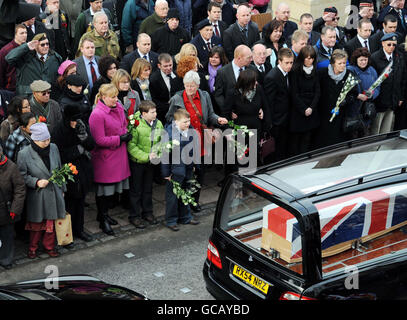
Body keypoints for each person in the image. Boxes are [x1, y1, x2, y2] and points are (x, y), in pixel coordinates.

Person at [166, 70, 228, 212]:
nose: (189, 89)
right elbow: (169, 118)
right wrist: (180, 125)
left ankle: (195, 201)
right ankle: (183, 204)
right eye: (187, 86)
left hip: (202, 142)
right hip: (185, 143)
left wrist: (218, 119)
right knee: (186, 174)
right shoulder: (177, 98)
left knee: (199, 174)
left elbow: (210, 115)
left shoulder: (205, 96)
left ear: (198, 85)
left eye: (192, 86)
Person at [17, 122, 66, 259]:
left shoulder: (54, 148)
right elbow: (21, 176)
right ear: (34, 140)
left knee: (51, 222)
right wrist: (36, 182)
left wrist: (63, 188)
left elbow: (60, 169)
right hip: (38, 195)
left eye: (48, 139)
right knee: (36, 224)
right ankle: (33, 248)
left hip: (54, 192)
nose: (47, 142)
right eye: (43, 140)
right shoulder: (24, 154)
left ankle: (49, 247)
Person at [88, 83, 131, 235]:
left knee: (112, 191)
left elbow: (123, 124)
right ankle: (102, 218)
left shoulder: (118, 107)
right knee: (104, 192)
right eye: (112, 97)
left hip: (118, 155)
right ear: (103, 97)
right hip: (105, 158)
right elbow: (99, 140)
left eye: (116, 96)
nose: (116, 99)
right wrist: (119, 139)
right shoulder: (97, 114)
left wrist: (125, 132)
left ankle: (104, 215)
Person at [51, 104, 95, 242]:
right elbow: (59, 153)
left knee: (81, 202)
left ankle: (79, 229)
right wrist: (78, 149)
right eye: (73, 120)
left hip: (83, 169)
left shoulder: (81, 125)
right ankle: (67, 233)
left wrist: (84, 137)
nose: (76, 123)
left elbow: (92, 145)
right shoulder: (59, 130)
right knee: (69, 204)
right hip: (68, 171)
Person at [223, 68, 271, 173]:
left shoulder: (259, 89)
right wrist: (228, 130)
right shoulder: (233, 93)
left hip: (255, 130)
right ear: (247, 83)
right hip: (239, 131)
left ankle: (251, 182)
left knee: (253, 160)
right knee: (240, 161)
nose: (256, 83)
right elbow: (225, 114)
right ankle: (238, 184)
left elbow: (266, 106)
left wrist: (266, 126)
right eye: (254, 81)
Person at [161, 108, 200, 231]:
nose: (188, 124)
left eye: (188, 121)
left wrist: (194, 164)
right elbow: (165, 156)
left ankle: (185, 217)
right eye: (185, 122)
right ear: (176, 122)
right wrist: (166, 173)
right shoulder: (169, 134)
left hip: (187, 168)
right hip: (175, 170)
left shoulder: (191, 130)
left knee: (186, 192)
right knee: (172, 196)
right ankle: (171, 220)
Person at [127, 100, 163, 228]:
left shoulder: (158, 124)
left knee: (148, 189)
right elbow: (131, 146)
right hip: (138, 162)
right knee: (136, 190)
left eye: (155, 111)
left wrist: (158, 152)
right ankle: (134, 215)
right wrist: (146, 156)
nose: (155, 114)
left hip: (150, 162)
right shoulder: (135, 125)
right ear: (144, 113)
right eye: (152, 112)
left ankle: (148, 212)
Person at [314, 49, 359, 149]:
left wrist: (345, 101)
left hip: (341, 116)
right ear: (333, 63)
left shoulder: (349, 75)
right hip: (323, 115)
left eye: (344, 63)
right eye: (340, 63)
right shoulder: (322, 74)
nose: (343, 65)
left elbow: (354, 94)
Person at [370, 32, 406, 134]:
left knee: (386, 131)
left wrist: (400, 97)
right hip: (380, 101)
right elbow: (373, 81)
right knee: (375, 131)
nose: (392, 47)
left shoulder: (399, 57)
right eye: (389, 44)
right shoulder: (375, 58)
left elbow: (402, 78)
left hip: (392, 100)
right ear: (382, 43)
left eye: (394, 44)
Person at [288, 45, 320, 155]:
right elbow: (294, 93)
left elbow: (317, 92)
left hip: (311, 109)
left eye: (311, 58)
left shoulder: (315, 71)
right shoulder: (295, 71)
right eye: (307, 58)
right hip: (298, 111)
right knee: (295, 141)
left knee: (307, 139)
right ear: (302, 58)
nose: (309, 60)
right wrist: (304, 109)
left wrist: (311, 108)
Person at [264, 47, 294, 161]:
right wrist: (272, 123)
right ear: (279, 61)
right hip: (277, 121)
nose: (290, 65)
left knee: (283, 149)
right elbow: (269, 103)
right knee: (276, 152)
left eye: (291, 62)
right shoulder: (272, 77)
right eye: (287, 63)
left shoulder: (288, 73)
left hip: (286, 119)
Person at [0, 144, 26, 269]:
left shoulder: (11, 167)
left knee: (7, 236)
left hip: (6, 210)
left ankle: (6, 259)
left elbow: (20, 189)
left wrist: (15, 209)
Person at [347, 47, 380, 137]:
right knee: (353, 136)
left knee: (365, 135)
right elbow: (346, 90)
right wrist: (358, 95)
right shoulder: (350, 70)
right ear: (356, 60)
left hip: (367, 110)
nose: (363, 62)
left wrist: (372, 94)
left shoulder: (372, 70)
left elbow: (377, 87)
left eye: (365, 60)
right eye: (361, 60)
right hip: (354, 111)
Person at [214, 44, 255, 111]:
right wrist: (227, 110)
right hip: (232, 113)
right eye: (248, 58)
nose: (251, 60)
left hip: (250, 112)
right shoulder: (222, 72)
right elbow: (218, 95)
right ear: (239, 58)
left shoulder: (252, 69)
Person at [149, 53, 177, 124]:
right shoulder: (154, 79)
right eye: (165, 66)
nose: (168, 68)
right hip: (162, 114)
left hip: (177, 111)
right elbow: (154, 100)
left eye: (170, 65)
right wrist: (169, 106)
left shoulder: (177, 75)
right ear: (159, 66)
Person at [0, 24, 28, 93]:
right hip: (10, 89)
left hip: (26, 89)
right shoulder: (5, 50)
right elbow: (1, 72)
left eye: (26, 33)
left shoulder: (29, 48)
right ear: (15, 34)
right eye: (21, 33)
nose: (25, 35)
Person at [206, 46, 228, 114]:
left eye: (216, 57)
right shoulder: (203, 68)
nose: (213, 59)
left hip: (222, 104)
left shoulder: (226, 70)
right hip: (208, 103)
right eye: (211, 57)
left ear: (221, 58)